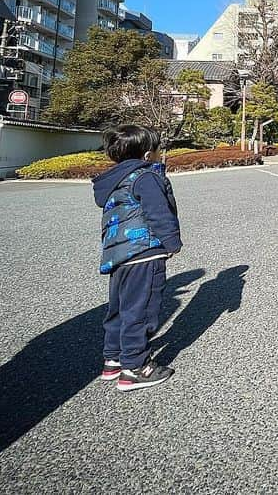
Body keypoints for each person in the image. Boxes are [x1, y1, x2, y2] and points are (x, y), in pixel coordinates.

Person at [92, 125, 182, 392]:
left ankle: (114, 359)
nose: (159, 154)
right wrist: (172, 242)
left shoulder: (115, 180)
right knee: (141, 310)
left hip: (119, 255)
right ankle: (135, 367)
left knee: (119, 308)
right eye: (156, 150)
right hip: (145, 252)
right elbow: (158, 211)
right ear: (146, 155)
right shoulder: (145, 177)